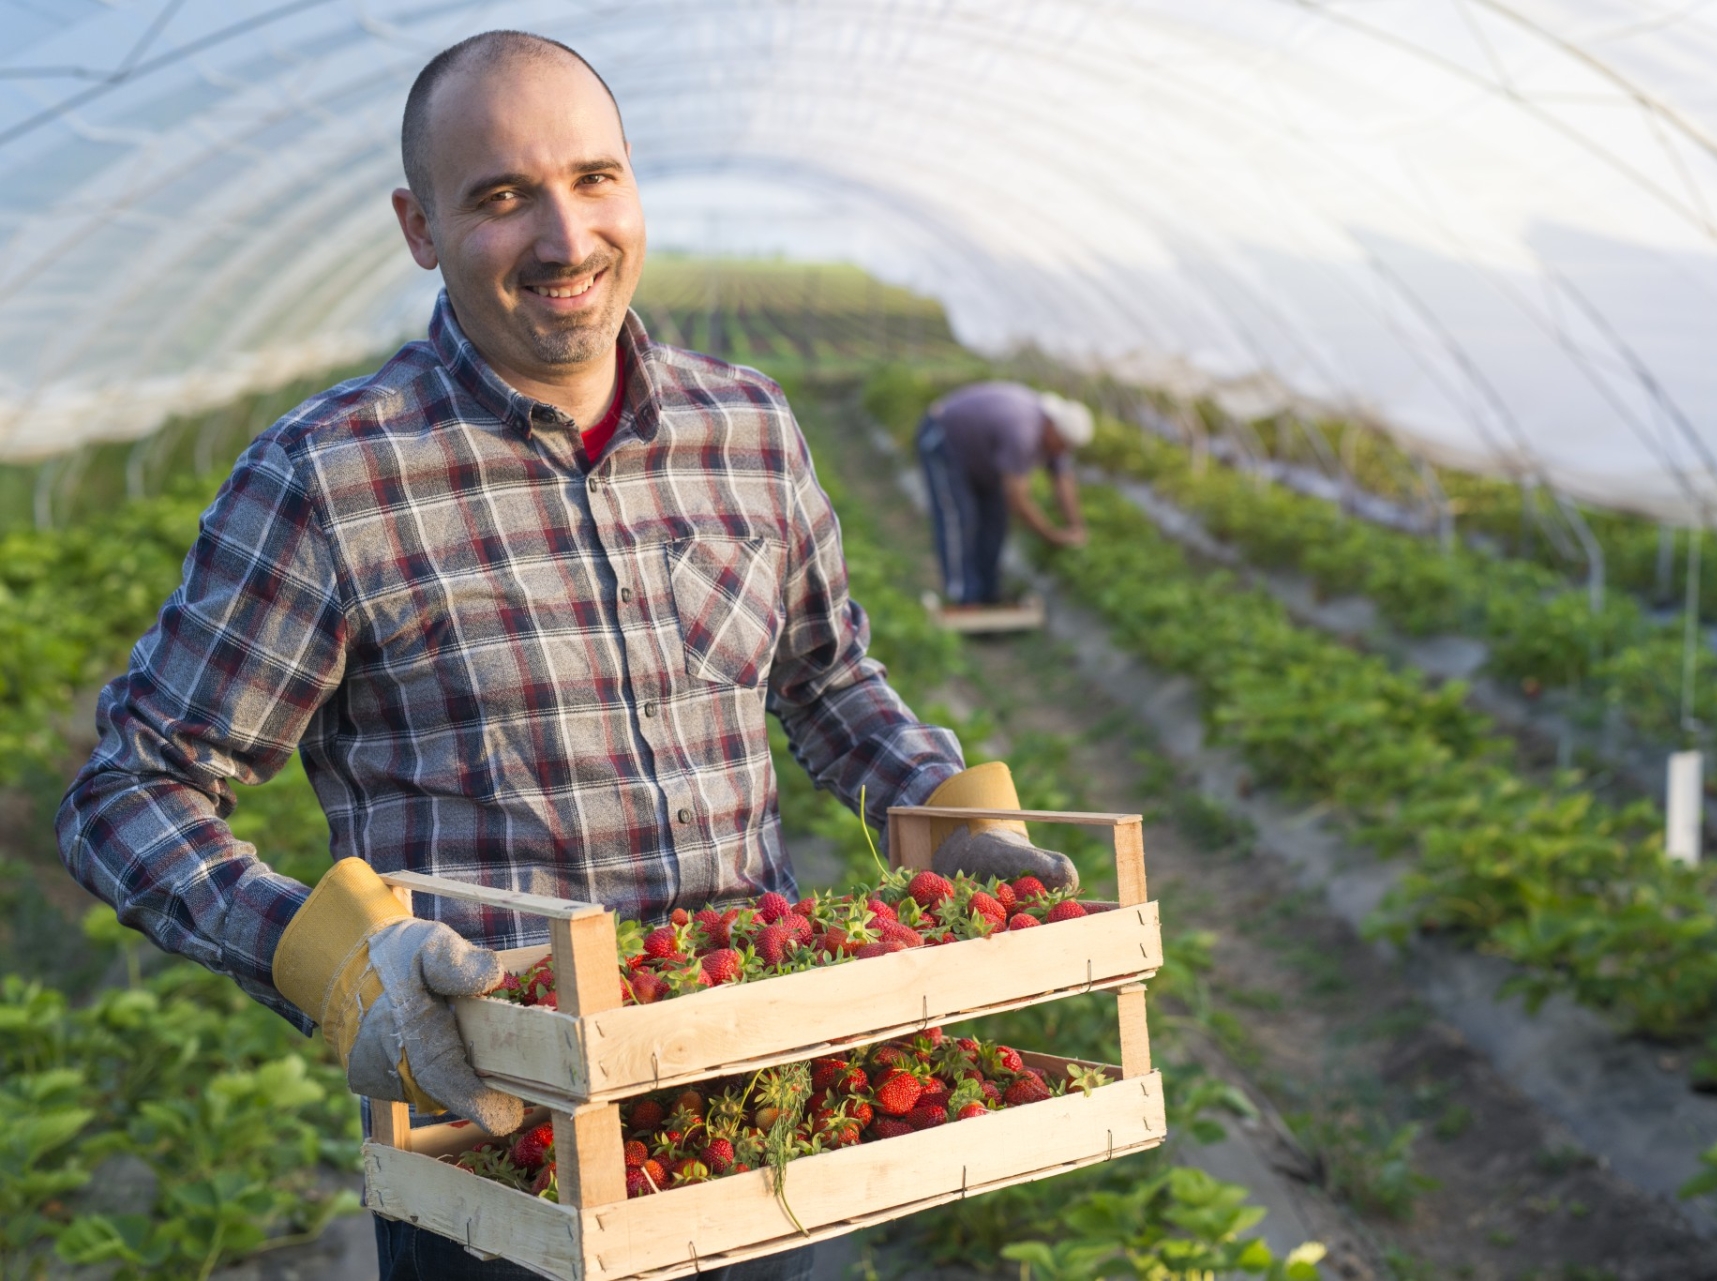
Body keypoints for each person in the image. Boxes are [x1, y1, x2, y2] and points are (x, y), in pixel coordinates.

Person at [55, 31, 1079, 1281]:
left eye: (593, 179)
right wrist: (327, 962)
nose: (564, 236)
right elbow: (133, 786)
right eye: (500, 197)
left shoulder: (746, 429)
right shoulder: (333, 478)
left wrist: (940, 808)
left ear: (633, 186)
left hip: (757, 1111)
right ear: (418, 227)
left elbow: (824, 678)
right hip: (501, 1154)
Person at [916, 381, 1094, 607]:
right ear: (1053, 428)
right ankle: (964, 596)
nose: (1063, 451)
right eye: (1063, 444)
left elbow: (1063, 480)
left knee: (995, 521)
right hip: (945, 441)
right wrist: (1050, 535)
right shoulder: (1023, 432)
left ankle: (988, 592)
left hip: (983, 459)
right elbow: (1018, 500)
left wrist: (1076, 526)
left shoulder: (1053, 436)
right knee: (958, 519)